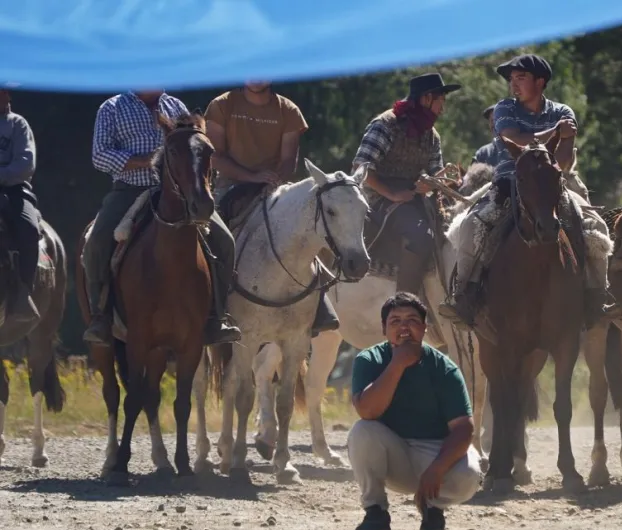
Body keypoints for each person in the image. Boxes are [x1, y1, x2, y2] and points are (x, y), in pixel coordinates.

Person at [438, 53, 617, 328]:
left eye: (520, 78)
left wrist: (562, 137)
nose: (513, 84)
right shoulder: (505, 108)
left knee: (595, 226)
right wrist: (555, 132)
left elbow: (563, 162)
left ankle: (597, 294)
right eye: (512, 79)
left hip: (552, 184)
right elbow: (513, 139)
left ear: (540, 81)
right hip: (509, 181)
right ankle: (463, 294)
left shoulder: (563, 112)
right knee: (472, 224)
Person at [84, 90, 241, 345]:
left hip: (178, 193)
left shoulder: (176, 106)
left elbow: (194, 147)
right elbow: (100, 156)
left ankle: (217, 317)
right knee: (97, 241)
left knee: (225, 241)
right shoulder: (112, 108)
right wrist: (145, 161)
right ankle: (100, 316)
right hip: (129, 190)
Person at [204, 81, 339, 336]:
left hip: (272, 186)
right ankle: (213, 309)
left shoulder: (288, 110)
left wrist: (273, 182)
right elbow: (215, 156)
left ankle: (320, 304)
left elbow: (289, 160)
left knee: (309, 229)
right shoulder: (222, 105)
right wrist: (251, 177)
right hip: (230, 186)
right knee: (211, 238)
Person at [348, 292, 481, 530]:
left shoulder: (444, 368)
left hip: (434, 452)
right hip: (393, 455)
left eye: (412, 320)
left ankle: (433, 506)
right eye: (395, 321)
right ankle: (375, 511)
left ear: (424, 327)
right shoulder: (369, 360)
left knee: (470, 474)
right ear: (384, 329)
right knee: (362, 431)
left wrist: (437, 469)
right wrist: (397, 364)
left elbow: (464, 428)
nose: (404, 327)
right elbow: (367, 411)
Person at [352, 73, 460, 295]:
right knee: (420, 238)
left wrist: (438, 181)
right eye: (441, 101)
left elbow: (435, 173)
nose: (443, 109)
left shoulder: (432, 136)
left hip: (412, 199)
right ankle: (404, 302)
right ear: (426, 98)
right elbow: (361, 167)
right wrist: (392, 194)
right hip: (377, 198)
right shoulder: (385, 125)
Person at [0, 82, 42, 322]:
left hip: (13, 192)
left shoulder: (17, 124)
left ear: (6, 94)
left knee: (28, 228)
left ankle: (24, 293)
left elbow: (25, 165)